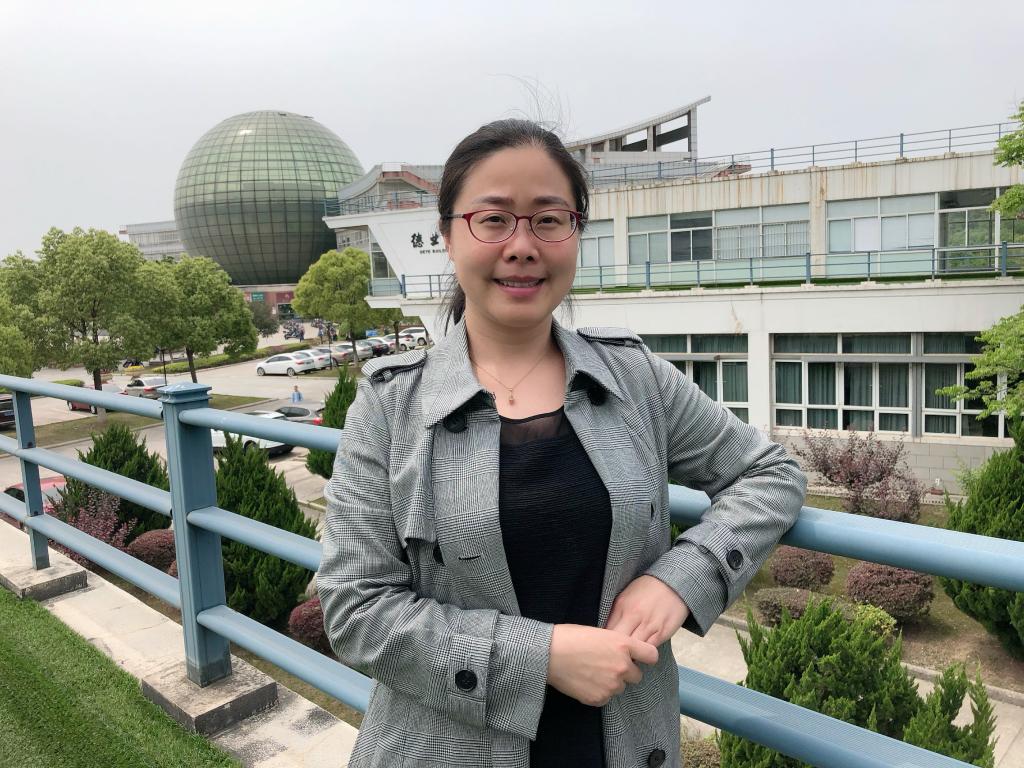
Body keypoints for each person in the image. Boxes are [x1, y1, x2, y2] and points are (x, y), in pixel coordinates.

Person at [317, 120, 806, 768]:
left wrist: (681, 579)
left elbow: (769, 472)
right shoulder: (391, 406)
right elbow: (355, 608)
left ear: (576, 233)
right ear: (448, 235)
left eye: (549, 220)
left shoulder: (633, 379)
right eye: (493, 220)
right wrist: (541, 658)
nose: (522, 246)